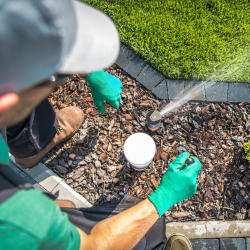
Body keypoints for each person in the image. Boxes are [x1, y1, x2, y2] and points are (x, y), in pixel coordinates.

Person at [0, 0, 201, 249]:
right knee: (148, 230)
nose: (61, 79)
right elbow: (94, 246)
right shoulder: (18, 219)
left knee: (63, 207)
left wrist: (91, 73)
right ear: (7, 99)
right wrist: (165, 196)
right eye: (56, 77)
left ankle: (32, 148)